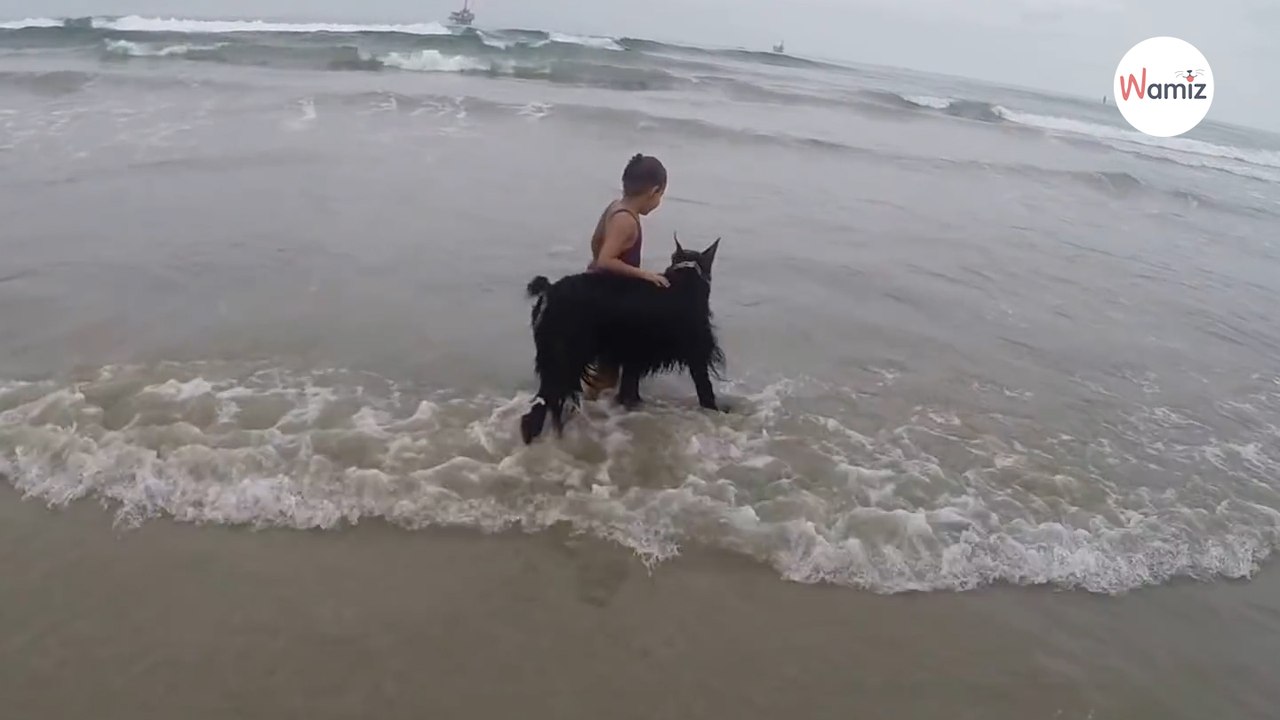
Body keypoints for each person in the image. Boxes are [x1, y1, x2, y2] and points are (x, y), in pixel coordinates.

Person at [583, 153, 669, 399]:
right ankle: (595, 420)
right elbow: (606, 259)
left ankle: (593, 414)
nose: (659, 202)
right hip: (608, 302)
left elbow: (597, 249)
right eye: (661, 195)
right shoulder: (626, 222)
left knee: (602, 365)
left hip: (597, 293)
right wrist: (644, 275)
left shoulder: (615, 208)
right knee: (607, 372)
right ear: (654, 191)